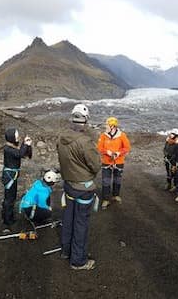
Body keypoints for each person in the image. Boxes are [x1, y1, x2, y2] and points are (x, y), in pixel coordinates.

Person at [57, 104, 101, 270]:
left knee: (69, 219)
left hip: (68, 185)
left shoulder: (61, 138)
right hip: (83, 189)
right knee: (81, 223)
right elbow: (96, 166)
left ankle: (66, 251)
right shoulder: (85, 142)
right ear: (85, 120)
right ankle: (78, 261)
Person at [1, 127, 33, 233]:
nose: (18, 138)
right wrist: (25, 144)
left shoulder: (11, 148)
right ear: (12, 138)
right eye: (16, 136)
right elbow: (20, 154)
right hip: (9, 176)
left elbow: (24, 154)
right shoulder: (8, 149)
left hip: (12, 175)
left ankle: (8, 216)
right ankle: (7, 220)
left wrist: (27, 145)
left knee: (11, 197)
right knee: (9, 198)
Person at [97, 116, 131, 209]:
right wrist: (107, 152)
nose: (105, 127)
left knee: (117, 180)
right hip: (106, 162)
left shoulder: (122, 135)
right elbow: (99, 147)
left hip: (118, 162)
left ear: (113, 126)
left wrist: (118, 153)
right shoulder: (103, 136)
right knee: (106, 181)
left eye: (107, 125)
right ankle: (105, 199)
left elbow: (127, 147)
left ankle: (116, 195)